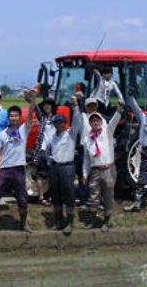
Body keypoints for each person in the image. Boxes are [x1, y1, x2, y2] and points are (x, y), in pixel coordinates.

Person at [0, 94, 37, 234]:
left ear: (20, 117)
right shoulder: (2, 134)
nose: (13, 118)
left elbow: (31, 114)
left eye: (16, 115)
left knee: (22, 199)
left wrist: (33, 99)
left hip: (19, 170)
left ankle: (24, 224)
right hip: (4, 170)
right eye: (11, 116)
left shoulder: (23, 130)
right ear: (8, 118)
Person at [41, 96, 81, 235]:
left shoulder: (71, 134)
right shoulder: (52, 136)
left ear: (65, 124)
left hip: (67, 168)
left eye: (61, 123)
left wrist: (75, 106)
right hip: (55, 168)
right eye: (56, 123)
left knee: (69, 194)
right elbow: (46, 149)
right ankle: (59, 219)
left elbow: (77, 121)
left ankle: (69, 222)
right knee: (56, 195)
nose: (58, 125)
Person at [81, 103, 123, 231]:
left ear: (101, 121)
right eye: (92, 121)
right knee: (93, 196)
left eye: (97, 120)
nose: (95, 122)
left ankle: (106, 220)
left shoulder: (107, 132)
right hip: (95, 171)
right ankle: (92, 219)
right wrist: (84, 173)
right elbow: (87, 159)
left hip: (108, 169)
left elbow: (114, 122)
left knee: (108, 195)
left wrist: (119, 111)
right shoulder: (88, 139)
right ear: (90, 123)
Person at [32, 97, 57, 206]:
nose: (46, 106)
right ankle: (41, 197)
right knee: (41, 175)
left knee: (53, 175)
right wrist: (32, 97)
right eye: (45, 105)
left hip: (55, 151)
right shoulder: (42, 118)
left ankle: (52, 196)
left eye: (49, 104)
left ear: (52, 107)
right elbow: (34, 106)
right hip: (42, 150)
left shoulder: (58, 119)